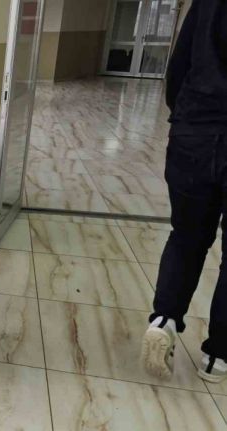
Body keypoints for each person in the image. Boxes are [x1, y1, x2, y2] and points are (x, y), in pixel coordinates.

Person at [141, 0, 227, 383]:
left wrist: (187, 117)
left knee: (186, 236)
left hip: (195, 132)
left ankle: (164, 319)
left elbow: (179, 65)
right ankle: (217, 357)